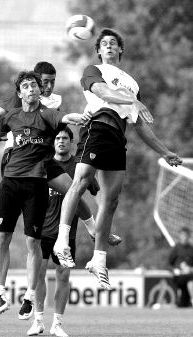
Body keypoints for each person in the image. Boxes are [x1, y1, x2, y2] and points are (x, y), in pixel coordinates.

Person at [53, 28, 182, 290]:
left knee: (111, 201)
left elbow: (140, 124)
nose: (109, 46)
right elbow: (103, 93)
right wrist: (134, 101)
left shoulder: (132, 83)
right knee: (81, 182)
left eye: (114, 43)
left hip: (117, 137)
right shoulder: (94, 70)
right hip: (97, 127)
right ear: (99, 50)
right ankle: (62, 241)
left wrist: (164, 152)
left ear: (121, 49)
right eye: (104, 44)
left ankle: (98, 260)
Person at [0, 70, 89, 320]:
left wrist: (80, 117)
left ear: (40, 91)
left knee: (32, 243)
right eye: (26, 86)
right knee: (2, 237)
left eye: (35, 86)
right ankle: (0, 291)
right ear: (19, 93)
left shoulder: (47, 114)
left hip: (36, 185)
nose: (32, 89)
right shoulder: (12, 115)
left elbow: (65, 116)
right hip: (10, 182)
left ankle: (28, 296)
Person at [27, 127, 78, 337]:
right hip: (43, 229)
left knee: (63, 276)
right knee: (39, 274)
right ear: (52, 142)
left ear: (71, 142)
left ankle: (57, 324)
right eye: (57, 138)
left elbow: (91, 193)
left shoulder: (78, 166)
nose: (61, 141)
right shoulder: (44, 163)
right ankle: (38, 321)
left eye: (65, 138)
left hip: (67, 233)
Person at [169, 227, 193, 307]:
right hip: (178, 277)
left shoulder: (191, 249)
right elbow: (169, 262)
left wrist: (190, 269)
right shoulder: (176, 248)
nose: (184, 237)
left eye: (186, 235)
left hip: (190, 275)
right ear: (180, 236)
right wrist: (178, 269)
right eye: (182, 235)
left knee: (183, 304)